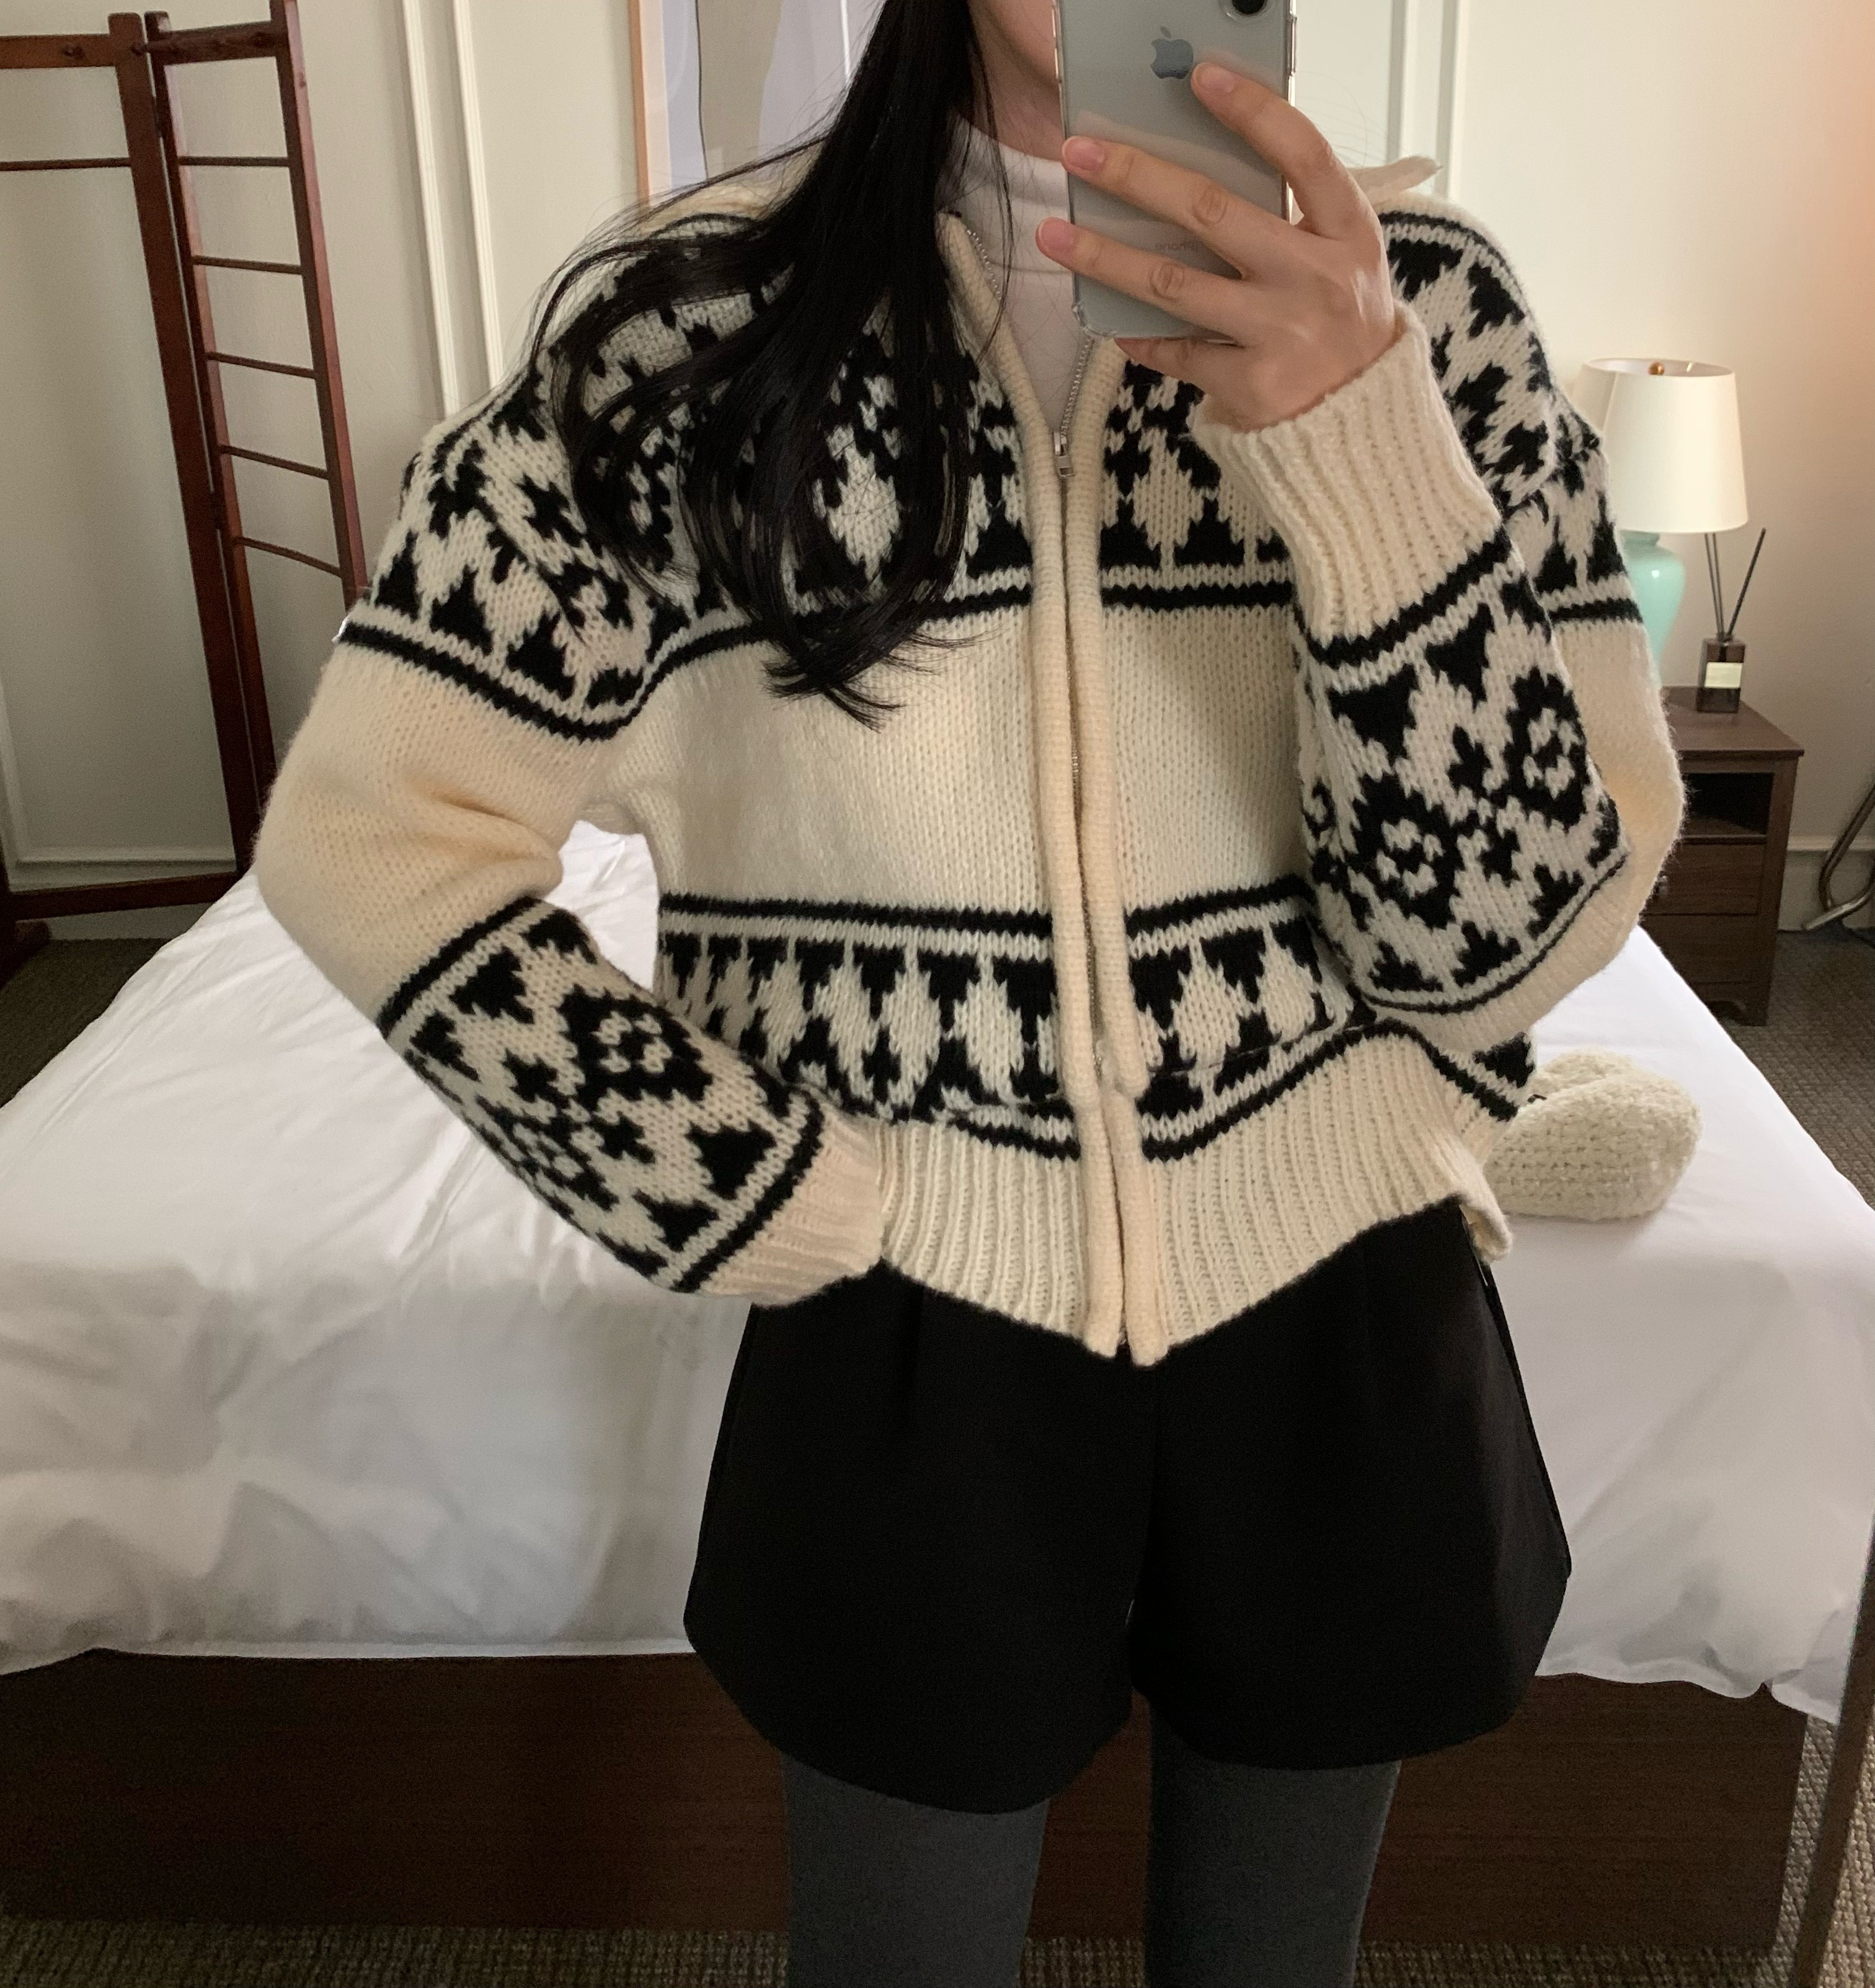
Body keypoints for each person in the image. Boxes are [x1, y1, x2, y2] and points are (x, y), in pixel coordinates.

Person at [252, 0, 1686, 1979]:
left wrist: (1364, 450)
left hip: (1345, 1292)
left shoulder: (1433, 318)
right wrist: (728, 1176)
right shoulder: (685, 336)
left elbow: (1498, 957)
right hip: (907, 1310)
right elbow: (374, 829)